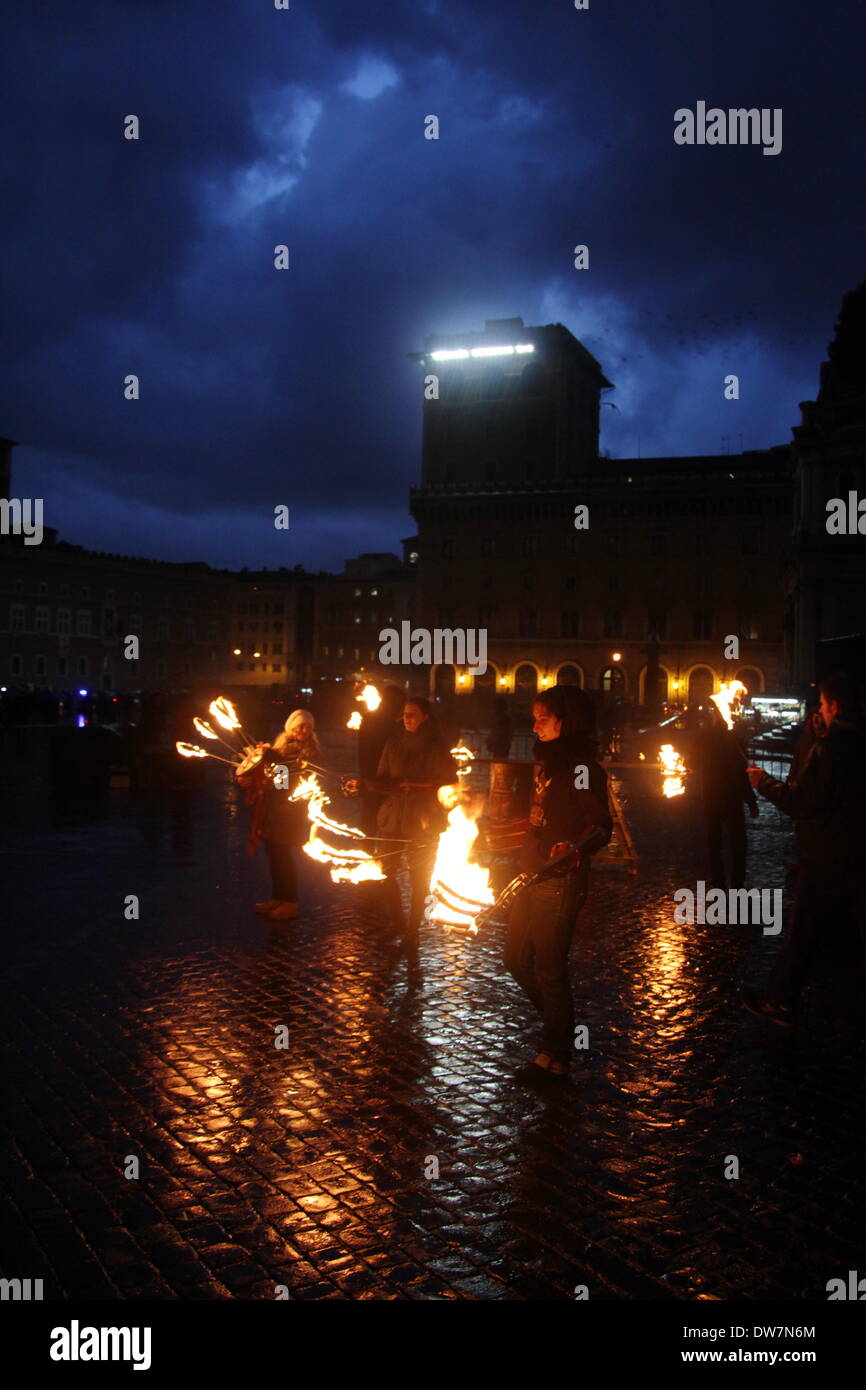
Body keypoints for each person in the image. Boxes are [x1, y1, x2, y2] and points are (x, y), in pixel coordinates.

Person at [743, 673, 866, 1026]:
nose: (821, 711)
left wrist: (762, 782)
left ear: (836, 707)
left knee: (805, 930)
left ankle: (780, 1002)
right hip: (852, 851)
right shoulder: (857, 742)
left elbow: (804, 801)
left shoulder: (831, 748)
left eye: (825, 705)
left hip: (828, 854)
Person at [504, 685, 612, 1082]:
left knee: (550, 968)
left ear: (567, 722)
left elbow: (601, 827)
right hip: (531, 876)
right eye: (534, 718)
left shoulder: (582, 769)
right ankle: (559, 1028)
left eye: (543, 719)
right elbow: (537, 818)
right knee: (515, 959)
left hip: (560, 883)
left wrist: (572, 847)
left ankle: (557, 1056)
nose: (534, 726)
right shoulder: (548, 764)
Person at [373, 696, 456, 939]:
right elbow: (382, 776)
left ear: (425, 717)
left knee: (419, 876)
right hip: (393, 818)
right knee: (385, 871)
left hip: (423, 820)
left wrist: (418, 786)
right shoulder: (393, 743)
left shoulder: (437, 747)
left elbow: (448, 783)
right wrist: (376, 786)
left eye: (412, 714)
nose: (407, 719)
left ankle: (412, 929)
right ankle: (397, 921)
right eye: (405, 714)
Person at [237, 708, 321, 921]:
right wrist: (256, 767)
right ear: (291, 727)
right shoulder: (279, 750)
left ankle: (290, 902)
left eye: (308, 727)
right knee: (274, 855)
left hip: (292, 813)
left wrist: (273, 770)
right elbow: (277, 781)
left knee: (284, 858)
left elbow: (288, 782)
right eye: (300, 725)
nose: (304, 729)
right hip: (275, 810)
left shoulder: (310, 753)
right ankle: (277, 897)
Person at [696, 704, 759, 890]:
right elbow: (742, 774)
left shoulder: (705, 739)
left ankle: (719, 882)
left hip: (712, 798)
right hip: (731, 799)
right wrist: (751, 802)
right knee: (738, 844)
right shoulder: (735, 741)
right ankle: (737, 882)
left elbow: (690, 761)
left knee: (715, 845)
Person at [356, 684, 405, 834]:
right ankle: (375, 851)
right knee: (385, 818)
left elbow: (362, 750)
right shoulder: (393, 723)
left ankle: (368, 850)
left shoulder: (371, 718)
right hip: (385, 777)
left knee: (371, 818)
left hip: (373, 775)